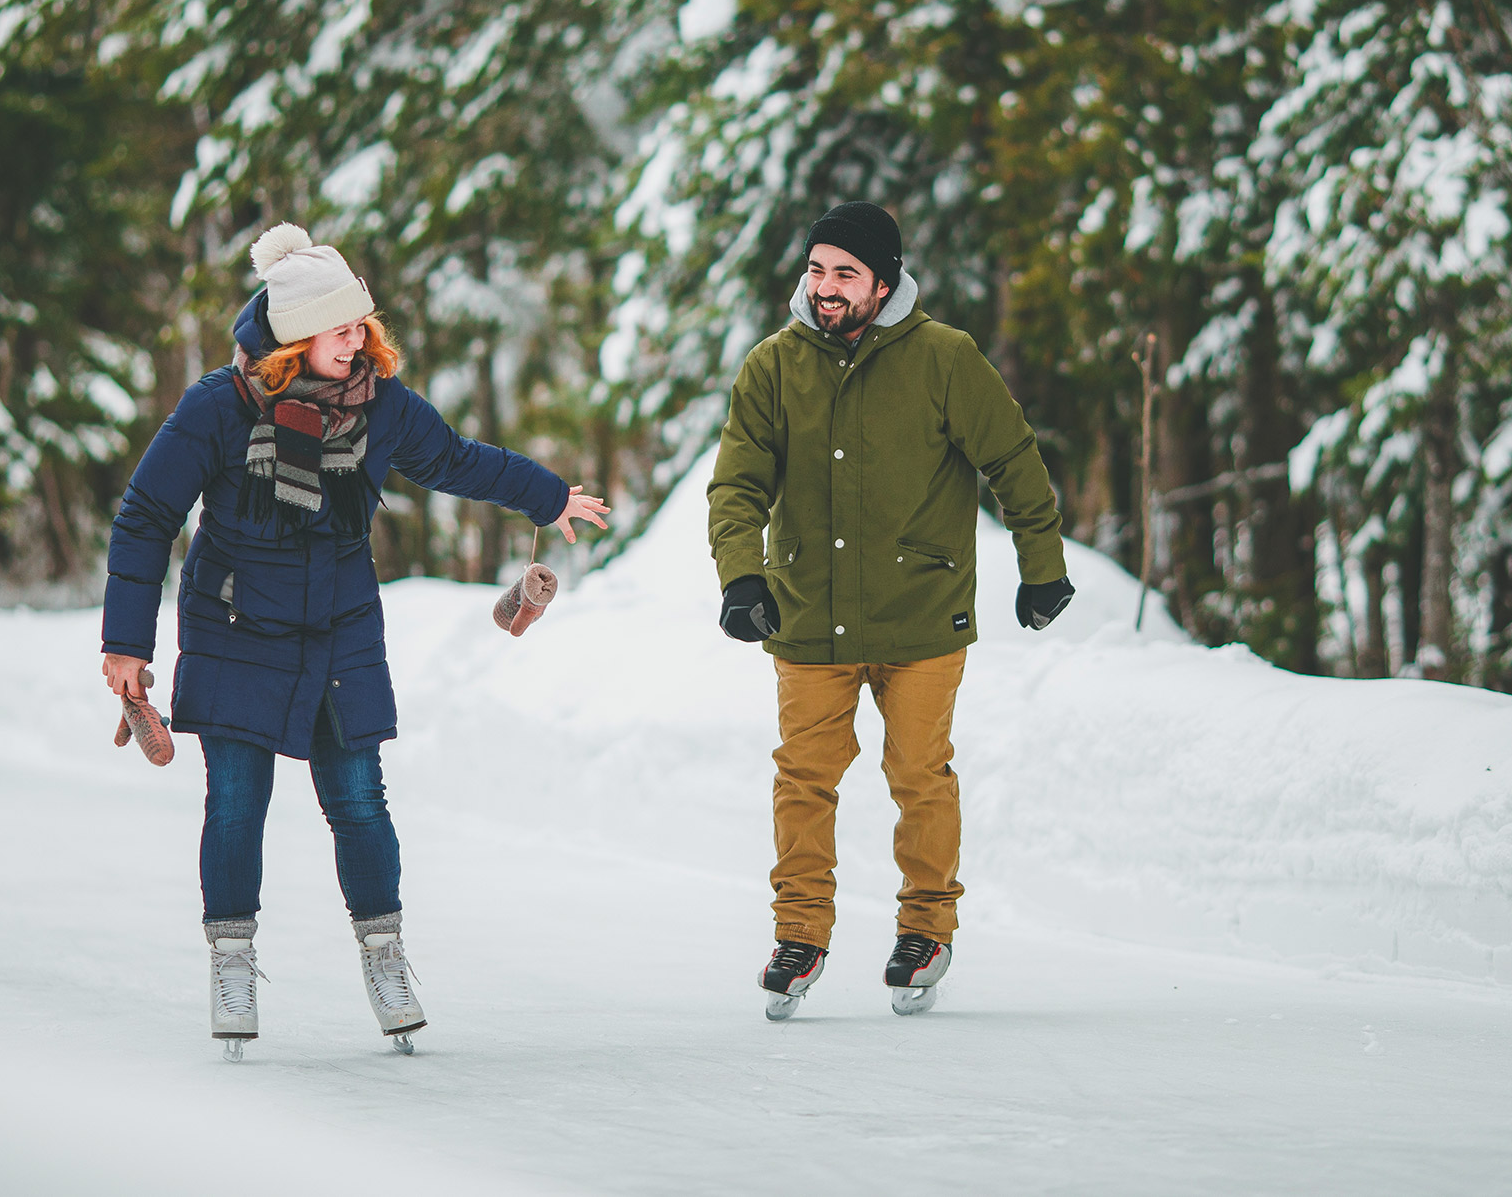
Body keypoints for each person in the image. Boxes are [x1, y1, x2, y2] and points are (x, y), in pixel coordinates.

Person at [101, 223, 610, 1059]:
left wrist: (547, 497)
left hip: (339, 629)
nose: (360, 338)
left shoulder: (381, 406)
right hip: (235, 627)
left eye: (361, 324)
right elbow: (146, 515)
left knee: (360, 802)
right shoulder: (218, 408)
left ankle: (384, 955)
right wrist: (127, 641)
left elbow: (457, 461)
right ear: (297, 336)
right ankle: (232, 961)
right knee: (235, 804)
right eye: (342, 328)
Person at [708, 202, 1077, 1020]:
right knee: (804, 776)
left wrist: (1041, 568)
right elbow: (737, 484)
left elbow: (1013, 460)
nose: (826, 287)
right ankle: (799, 932)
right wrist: (743, 576)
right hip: (808, 615)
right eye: (816, 269)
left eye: (845, 272)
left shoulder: (945, 359)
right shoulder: (773, 366)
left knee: (918, 773)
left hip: (920, 612)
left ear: (883, 281)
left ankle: (927, 927)